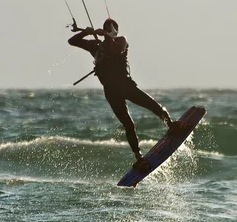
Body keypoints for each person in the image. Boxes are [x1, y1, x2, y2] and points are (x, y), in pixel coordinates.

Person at [68, 18, 175, 168]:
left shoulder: (121, 41)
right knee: (129, 125)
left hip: (126, 85)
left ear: (116, 31)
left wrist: (107, 36)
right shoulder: (96, 46)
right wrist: (86, 32)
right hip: (111, 92)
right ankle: (139, 158)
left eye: (111, 29)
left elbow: (115, 49)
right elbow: (72, 41)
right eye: (107, 28)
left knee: (153, 106)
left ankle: (171, 125)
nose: (109, 31)